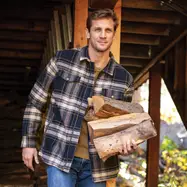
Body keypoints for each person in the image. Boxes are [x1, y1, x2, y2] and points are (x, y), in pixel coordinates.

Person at [21, 8, 137, 187]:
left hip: (97, 166)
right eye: (97, 29)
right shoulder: (62, 61)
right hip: (60, 155)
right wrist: (28, 143)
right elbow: (35, 102)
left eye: (108, 30)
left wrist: (127, 145)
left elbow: (123, 126)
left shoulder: (124, 78)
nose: (103, 35)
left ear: (114, 34)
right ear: (87, 32)